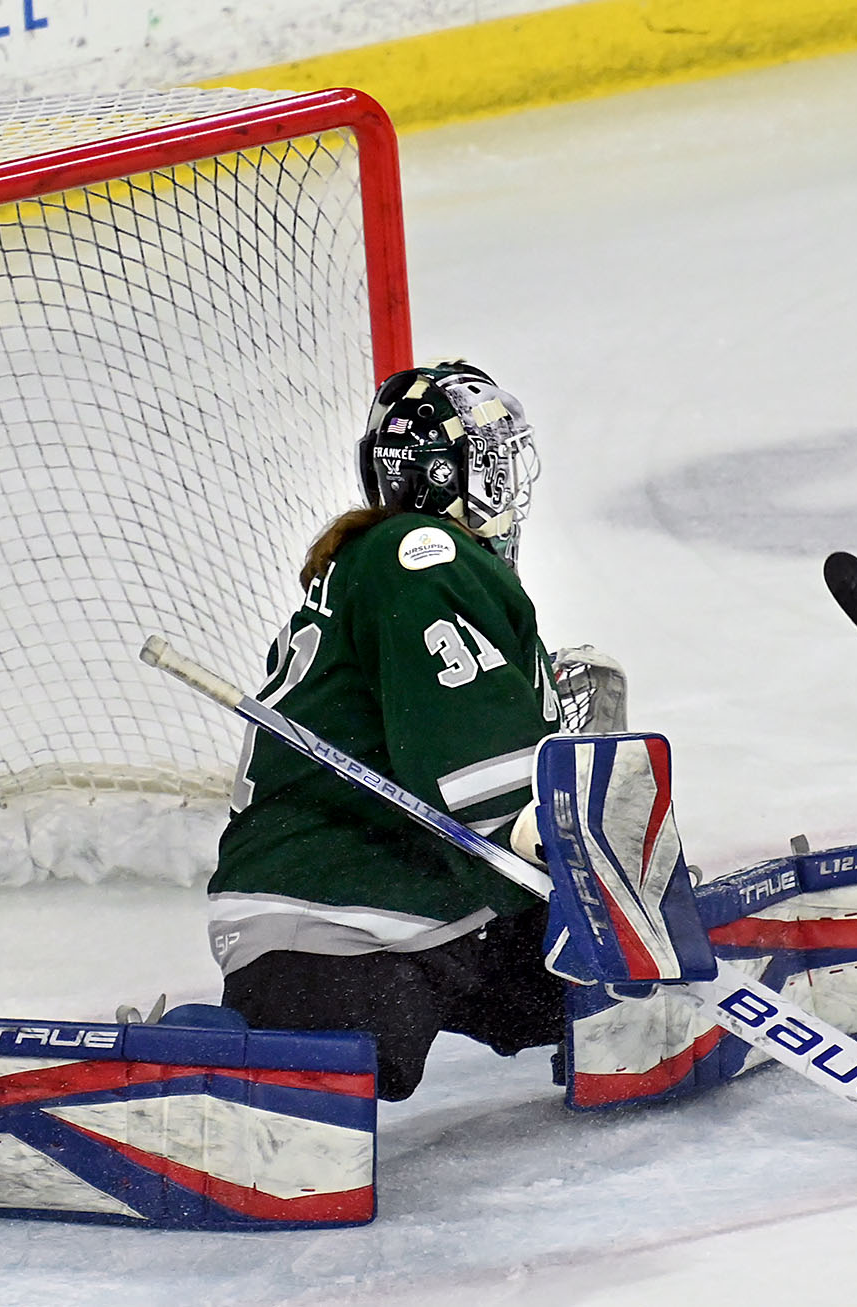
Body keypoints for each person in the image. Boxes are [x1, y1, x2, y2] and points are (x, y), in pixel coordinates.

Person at [207, 361, 569, 1102]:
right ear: (440, 473)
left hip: (428, 894)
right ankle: (182, 1062)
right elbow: (477, 776)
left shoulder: (399, 563)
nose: (506, 483)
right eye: (490, 460)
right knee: (325, 1078)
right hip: (328, 907)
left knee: (574, 985)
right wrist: (571, 832)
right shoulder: (417, 555)